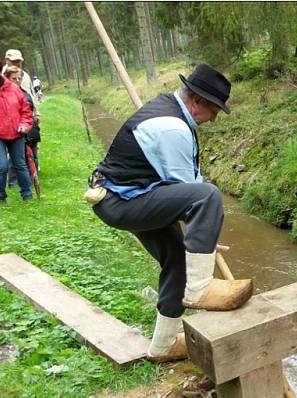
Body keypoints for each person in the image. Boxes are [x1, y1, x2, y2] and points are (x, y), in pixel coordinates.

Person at [86, 64, 253, 362]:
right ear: (196, 101)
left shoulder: (174, 115)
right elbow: (192, 193)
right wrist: (203, 229)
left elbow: (187, 187)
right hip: (122, 200)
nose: (214, 119)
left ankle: (162, 346)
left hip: (133, 195)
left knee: (177, 259)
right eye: (214, 110)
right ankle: (199, 290)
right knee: (209, 196)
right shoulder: (171, 127)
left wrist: (203, 233)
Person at [0, 55, 33, 204]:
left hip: (17, 133)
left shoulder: (13, 88)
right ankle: (0, 196)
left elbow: (26, 111)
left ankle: (27, 195)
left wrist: (25, 125)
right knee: (2, 166)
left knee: (20, 165)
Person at [4, 66, 40, 176]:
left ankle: (33, 177)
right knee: (15, 158)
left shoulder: (25, 94)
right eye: (14, 79)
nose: (17, 81)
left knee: (32, 155)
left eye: (19, 78)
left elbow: (30, 110)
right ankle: (14, 181)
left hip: (28, 130)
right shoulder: (2, 94)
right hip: (11, 131)